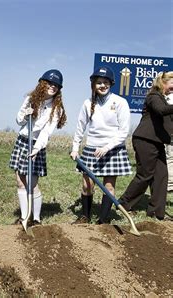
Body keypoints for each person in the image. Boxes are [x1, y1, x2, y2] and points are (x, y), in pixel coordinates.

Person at [70, 66, 132, 224]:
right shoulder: (87, 103)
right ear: (93, 85)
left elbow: (123, 131)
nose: (102, 85)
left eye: (105, 82)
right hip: (92, 148)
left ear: (111, 83)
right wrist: (75, 147)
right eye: (99, 83)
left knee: (109, 187)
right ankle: (85, 216)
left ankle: (103, 221)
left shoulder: (120, 102)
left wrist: (107, 147)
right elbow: (80, 127)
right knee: (87, 185)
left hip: (112, 149)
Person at [9, 70, 67, 226]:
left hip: (36, 145)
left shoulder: (56, 109)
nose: (53, 87)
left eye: (56, 85)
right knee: (21, 182)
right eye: (50, 83)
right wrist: (26, 114)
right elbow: (19, 120)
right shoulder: (31, 99)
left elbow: (46, 132)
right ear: (43, 83)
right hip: (22, 141)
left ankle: (36, 219)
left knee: (32, 183)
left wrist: (36, 149)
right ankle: (24, 217)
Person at [119, 71, 173, 220]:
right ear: (163, 82)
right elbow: (161, 111)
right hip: (145, 140)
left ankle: (156, 212)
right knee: (145, 174)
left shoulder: (165, 100)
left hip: (157, 142)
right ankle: (123, 204)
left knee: (161, 176)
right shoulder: (153, 96)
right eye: (172, 85)